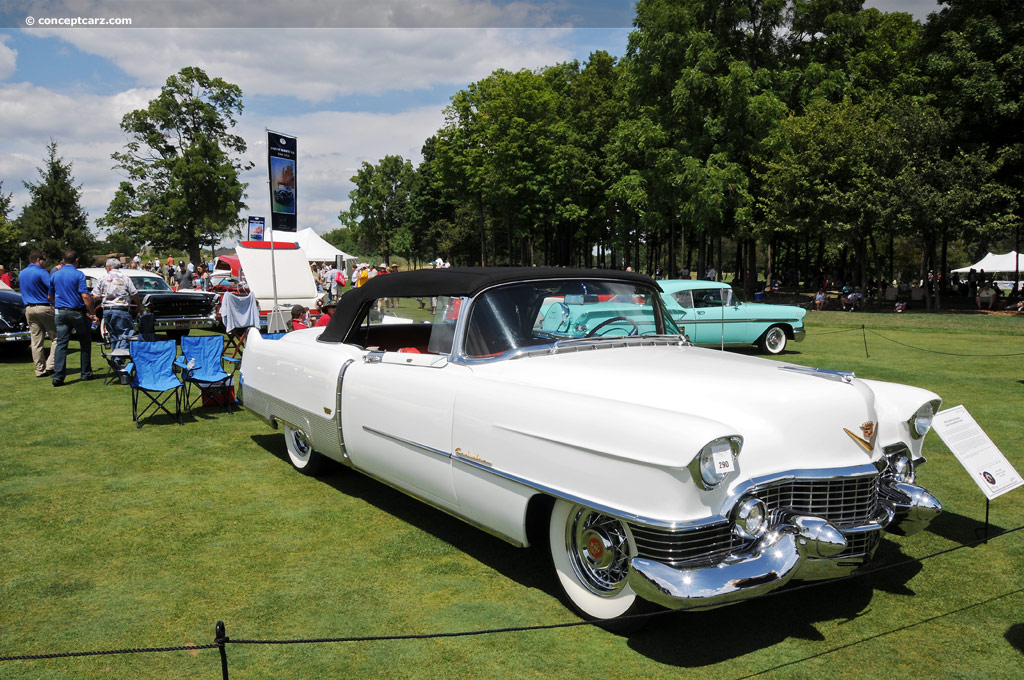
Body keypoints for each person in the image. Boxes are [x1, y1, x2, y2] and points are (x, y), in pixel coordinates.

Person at [50, 250, 96, 386]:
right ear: (76, 260)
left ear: (63, 260)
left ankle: (58, 376)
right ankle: (85, 373)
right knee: (85, 341)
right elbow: (85, 296)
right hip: (76, 311)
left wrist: (57, 304)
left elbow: (50, 296)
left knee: (61, 344)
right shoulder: (78, 275)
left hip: (61, 311)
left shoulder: (55, 275)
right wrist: (92, 313)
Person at [19, 250, 57, 377]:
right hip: (44, 307)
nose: (46, 263)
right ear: (39, 260)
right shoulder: (42, 272)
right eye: (44, 260)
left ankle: (39, 370)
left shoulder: (22, 273)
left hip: (29, 308)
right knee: (57, 337)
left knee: (36, 341)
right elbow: (52, 288)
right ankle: (51, 365)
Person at [92, 257, 141, 350]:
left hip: (107, 310)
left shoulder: (103, 278)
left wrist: (105, 297)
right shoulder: (125, 278)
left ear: (109, 267)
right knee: (125, 333)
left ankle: (115, 357)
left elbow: (95, 296)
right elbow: (134, 293)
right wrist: (140, 307)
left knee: (113, 335)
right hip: (121, 309)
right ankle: (119, 358)